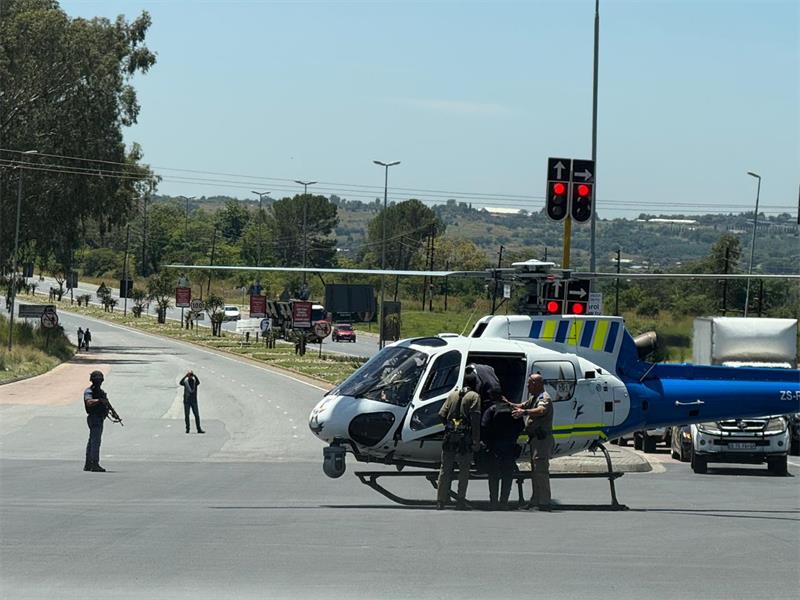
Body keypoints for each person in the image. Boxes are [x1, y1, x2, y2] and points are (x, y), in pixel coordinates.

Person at [436, 371, 481, 510]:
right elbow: (475, 419)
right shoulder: (474, 397)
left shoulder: (452, 394)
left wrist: (449, 427)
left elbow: (441, 414)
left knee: (445, 469)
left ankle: (440, 501)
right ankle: (460, 500)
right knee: (464, 470)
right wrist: (476, 440)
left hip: (449, 437)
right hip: (465, 439)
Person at [512, 373, 554, 511]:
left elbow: (541, 410)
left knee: (541, 471)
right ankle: (536, 499)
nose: (528, 386)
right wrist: (507, 402)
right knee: (535, 471)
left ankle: (544, 502)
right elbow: (521, 405)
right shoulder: (534, 398)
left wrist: (524, 413)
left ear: (537, 384)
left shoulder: (544, 398)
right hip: (535, 440)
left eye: (530, 383)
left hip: (542, 440)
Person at [481, 396, 524, 510]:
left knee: (494, 476)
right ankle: (504, 502)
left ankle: (493, 502)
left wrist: (488, 442)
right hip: (509, 447)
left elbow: (484, 426)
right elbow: (521, 427)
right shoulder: (513, 410)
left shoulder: (492, 410)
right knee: (507, 476)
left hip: (494, 447)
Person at [84, 370, 110, 472]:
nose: (99, 382)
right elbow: (89, 402)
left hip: (99, 418)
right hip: (94, 417)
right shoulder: (89, 391)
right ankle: (94, 464)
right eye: (97, 380)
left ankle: (88, 464)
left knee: (92, 441)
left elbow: (107, 403)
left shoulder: (101, 392)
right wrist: (99, 401)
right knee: (95, 441)